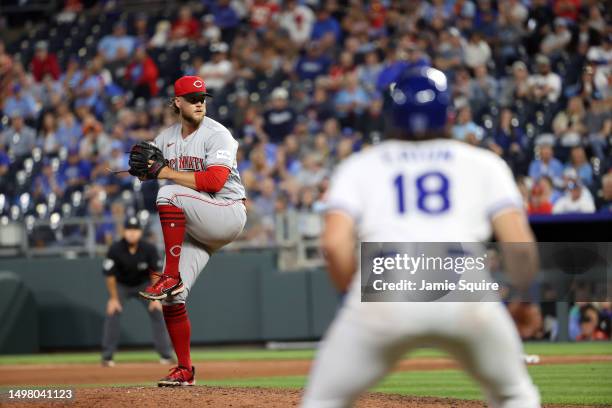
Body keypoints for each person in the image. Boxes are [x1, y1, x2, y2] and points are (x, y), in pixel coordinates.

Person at [302, 67, 540, 407]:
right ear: (448, 113)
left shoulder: (360, 165)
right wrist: (524, 298)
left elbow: (333, 244)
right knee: (514, 394)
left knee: (325, 400)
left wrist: (349, 293)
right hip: (465, 287)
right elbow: (519, 244)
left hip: (386, 284)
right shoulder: (483, 163)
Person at [136, 76, 247, 386]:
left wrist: (165, 172)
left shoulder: (218, 135)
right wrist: (140, 167)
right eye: (192, 97)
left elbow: (213, 183)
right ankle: (184, 369)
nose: (200, 102)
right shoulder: (166, 138)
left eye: (203, 97)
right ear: (177, 102)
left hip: (226, 212)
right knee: (173, 299)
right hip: (197, 224)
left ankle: (169, 274)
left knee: (168, 192)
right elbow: (145, 165)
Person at [101, 217, 173, 367]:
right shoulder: (115, 248)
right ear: (124, 231)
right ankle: (107, 357)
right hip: (122, 285)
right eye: (129, 230)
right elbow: (110, 275)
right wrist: (113, 299)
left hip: (144, 284)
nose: (132, 233)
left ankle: (166, 355)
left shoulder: (149, 248)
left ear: (140, 232)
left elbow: (155, 273)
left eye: (135, 230)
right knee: (112, 311)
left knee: (157, 311)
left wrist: (155, 297)